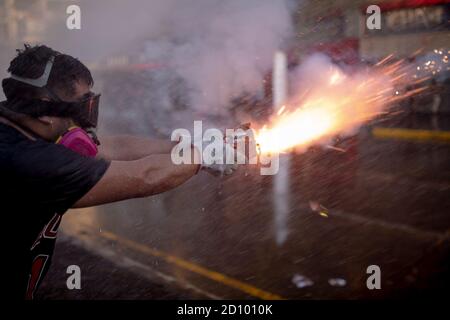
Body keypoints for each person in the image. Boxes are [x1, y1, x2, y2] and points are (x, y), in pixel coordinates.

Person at [0, 44, 238, 299]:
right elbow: (144, 177)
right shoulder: (31, 161)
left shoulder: (23, 130)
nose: (86, 123)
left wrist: (188, 146)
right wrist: (204, 156)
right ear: (45, 110)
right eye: (80, 110)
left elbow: (116, 146)